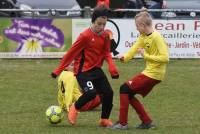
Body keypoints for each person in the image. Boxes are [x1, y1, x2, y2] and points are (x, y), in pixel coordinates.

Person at [51, 5, 119, 127]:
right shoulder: (85, 36)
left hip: (96, 70)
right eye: (99, 24)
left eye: (104, 24)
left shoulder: (105, 35)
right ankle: (74, 107)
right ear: (93, 21)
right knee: (91, 93)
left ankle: (104, 119)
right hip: (83, 71)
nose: (102, 27)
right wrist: (58, 70)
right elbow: (70, 53)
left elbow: (106, 53)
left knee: (108, 93)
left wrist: (112, 67)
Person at [111, 11, 169, 130]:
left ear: (143, 25)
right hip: (150, 72)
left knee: (124, 88)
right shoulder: (143, 37)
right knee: (129, 94)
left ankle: (122, 124)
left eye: (137, 26)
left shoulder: (156, 37)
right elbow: (133, 49)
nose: (136, 28)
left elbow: (165, 58)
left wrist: (145, 56)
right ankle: (147, 122)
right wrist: (124, 58)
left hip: (154, 74)